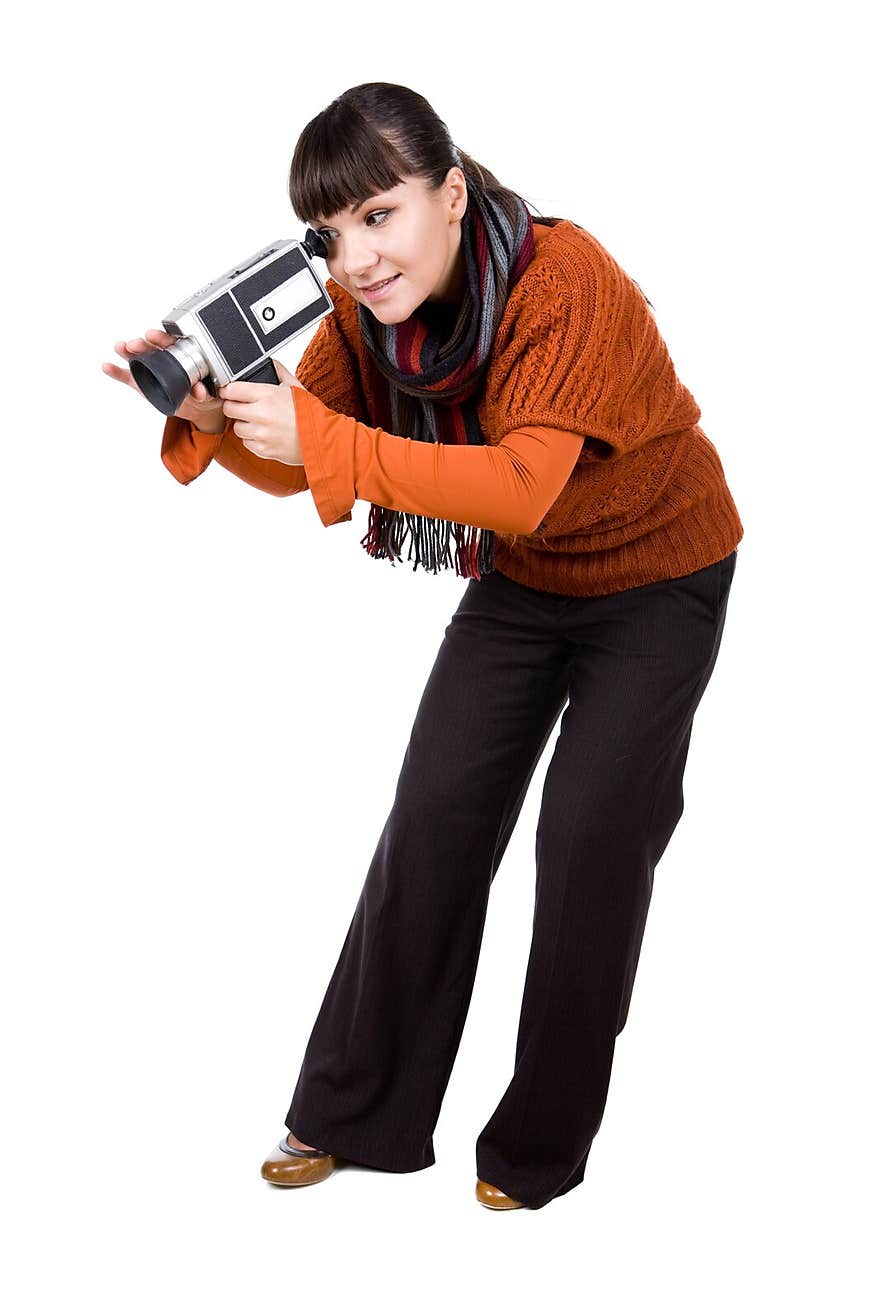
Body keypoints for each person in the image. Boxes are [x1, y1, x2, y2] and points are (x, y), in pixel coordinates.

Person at [102, 82, 744, 1211]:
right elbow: (313, 458)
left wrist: (319, 433)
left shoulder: (566, 281)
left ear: (450, 194)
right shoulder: (368, 310)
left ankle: (537, 1149)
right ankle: (356, 1113)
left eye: (379, 215)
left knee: (592, 843)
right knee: (435, 819)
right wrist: (215, 418)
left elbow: (519, 485)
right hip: (523, 581)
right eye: (332, 230)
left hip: (656, 572)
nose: (355, 258)